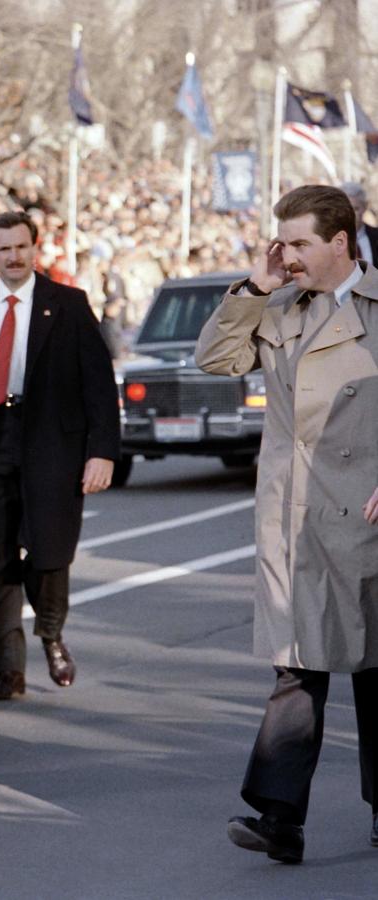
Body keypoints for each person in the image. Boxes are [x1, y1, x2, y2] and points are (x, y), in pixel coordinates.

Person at [197, 184, 378, 864]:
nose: (289, 256)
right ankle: (279, 818)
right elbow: (214, 360)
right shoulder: (276, 306)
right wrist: (252, 284)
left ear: (341, 242)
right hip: (293, 512)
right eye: (284, 243)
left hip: (363, 512)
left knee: (374, 668)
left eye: (301, 243)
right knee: (297, 666)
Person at [0, 211, 119, 702]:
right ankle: (7, 670)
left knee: (48, 553)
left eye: (22, 247)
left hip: (51, 445)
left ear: (34, 249)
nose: (14, 257)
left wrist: (101, 452)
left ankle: (51, 633)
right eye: (4, 249)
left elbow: (99, 387)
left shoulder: (68, 304)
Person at [340, 181, 378, 265]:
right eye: (345, 208)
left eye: (355, 209)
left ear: (365, 207)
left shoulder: (376, 236)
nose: (350, 214)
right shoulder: (329, 240)